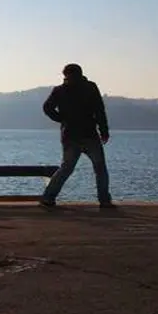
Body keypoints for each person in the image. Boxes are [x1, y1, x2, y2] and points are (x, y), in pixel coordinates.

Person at [40, 63, 116, 209]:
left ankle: (48, 197)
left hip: (70, 135)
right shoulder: (90, 87)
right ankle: (104, 200)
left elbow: (47, 107)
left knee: (66, 168)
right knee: (100, 168)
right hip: (89, 134)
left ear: (65, 75)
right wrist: (104, 131)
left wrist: (62, 118)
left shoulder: (60, 90)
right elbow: (99, 110)